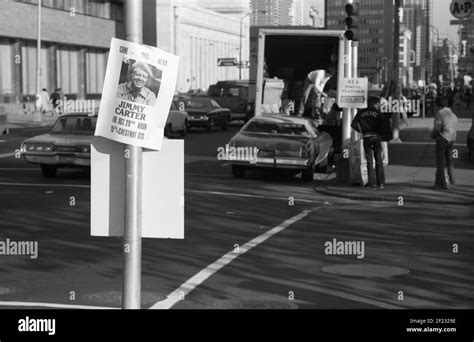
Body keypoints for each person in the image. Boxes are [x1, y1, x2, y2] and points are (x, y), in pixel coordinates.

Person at [351, 96, 385, 189]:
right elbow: (384, 125)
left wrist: (361, 130)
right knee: (378, 161)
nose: (379, 106)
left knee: (369, 161)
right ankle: (380, 183)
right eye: (378, 104)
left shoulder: (361, 112)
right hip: (376, 137)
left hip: (366, 137)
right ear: (374, 103)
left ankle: (371, 183)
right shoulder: (378, 113)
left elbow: (353, 124)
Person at [430, 97, 458, 190]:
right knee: (450, 161)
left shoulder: (440, 114)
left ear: (438, 105)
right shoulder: (453, 115)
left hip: (442, 139)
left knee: (440, 162)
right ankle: (452, 181)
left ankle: (441, 183)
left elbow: (437, 129)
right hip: (452, 139)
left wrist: (432, 134)